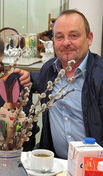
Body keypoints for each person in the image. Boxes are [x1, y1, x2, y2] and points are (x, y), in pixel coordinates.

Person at [30, 9, 103, 159]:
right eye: (59, 37)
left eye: (74, 36)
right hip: (55, 165)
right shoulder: (49, 70)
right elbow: (36, 80)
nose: (66, 43)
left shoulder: (100, 75)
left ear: (89, 38)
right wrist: (24, 76)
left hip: (94, 167)